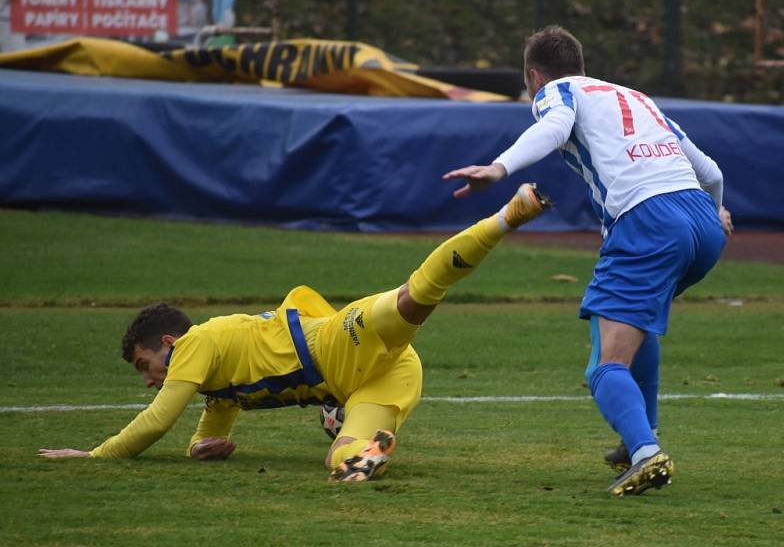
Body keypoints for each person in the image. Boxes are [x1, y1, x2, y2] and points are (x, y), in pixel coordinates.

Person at [38, 184, 551, 482]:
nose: (149, 380)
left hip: (338, 341)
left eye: (144, 366)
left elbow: (156, 422)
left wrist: (95, 454)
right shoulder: (218, 384)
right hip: (379, 380)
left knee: (415, 295)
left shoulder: (195, 344)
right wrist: (204, 447)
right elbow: (212, 427)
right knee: (340, 461)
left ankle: (507, 215)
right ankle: (365, 455)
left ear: (169, 345)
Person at [443, 26, 734, 497]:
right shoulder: (633, 95)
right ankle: (636, 434)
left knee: (604, 365)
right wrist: (717, 211)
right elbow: (711, 171)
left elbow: (553, 127)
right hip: (702, 223)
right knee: (638, 321)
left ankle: (645, 453)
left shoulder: (555, 92)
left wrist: (499, 168)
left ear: (533, 76)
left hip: (650, 223)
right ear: (581, 63)